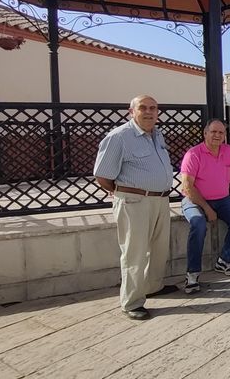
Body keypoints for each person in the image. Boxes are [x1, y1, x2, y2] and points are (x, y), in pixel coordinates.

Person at [94, 95, 175, 320]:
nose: (149, 112)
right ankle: (132, 301)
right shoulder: (119, 137)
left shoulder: (157, 135)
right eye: (143, 108)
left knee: (159, 249)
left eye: (153, 108)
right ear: (132, 111)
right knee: (134, 253)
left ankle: (153, 286)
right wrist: (124, 192)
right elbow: (103, 175)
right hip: (134, 202)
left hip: (160, 200)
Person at [179, 119, 230, 295]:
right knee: (198, 224)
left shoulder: (228, 151)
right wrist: (207, 208)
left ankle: (224, 260)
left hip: (223, 198)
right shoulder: (194, 154)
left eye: (221, 133)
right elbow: (188, 186)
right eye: (213, 132)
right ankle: (192, 274)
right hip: (195, 199)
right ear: (205, 133)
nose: (217, 135)